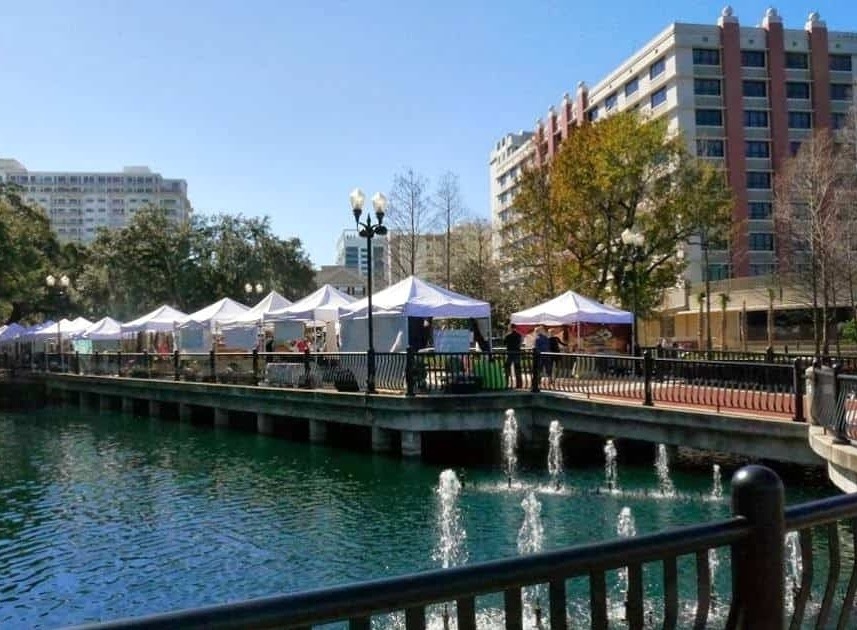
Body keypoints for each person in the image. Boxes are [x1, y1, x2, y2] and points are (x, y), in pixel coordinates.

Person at [503, 323, 523, 389]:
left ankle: (507, 384)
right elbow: (520, 343)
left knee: (507, 369)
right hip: (517, 353)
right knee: (517, 369)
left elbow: (504, 343)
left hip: (510, 353)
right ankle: (519, 384)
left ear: (510, 328)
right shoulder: (519, 335)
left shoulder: (508, 335)